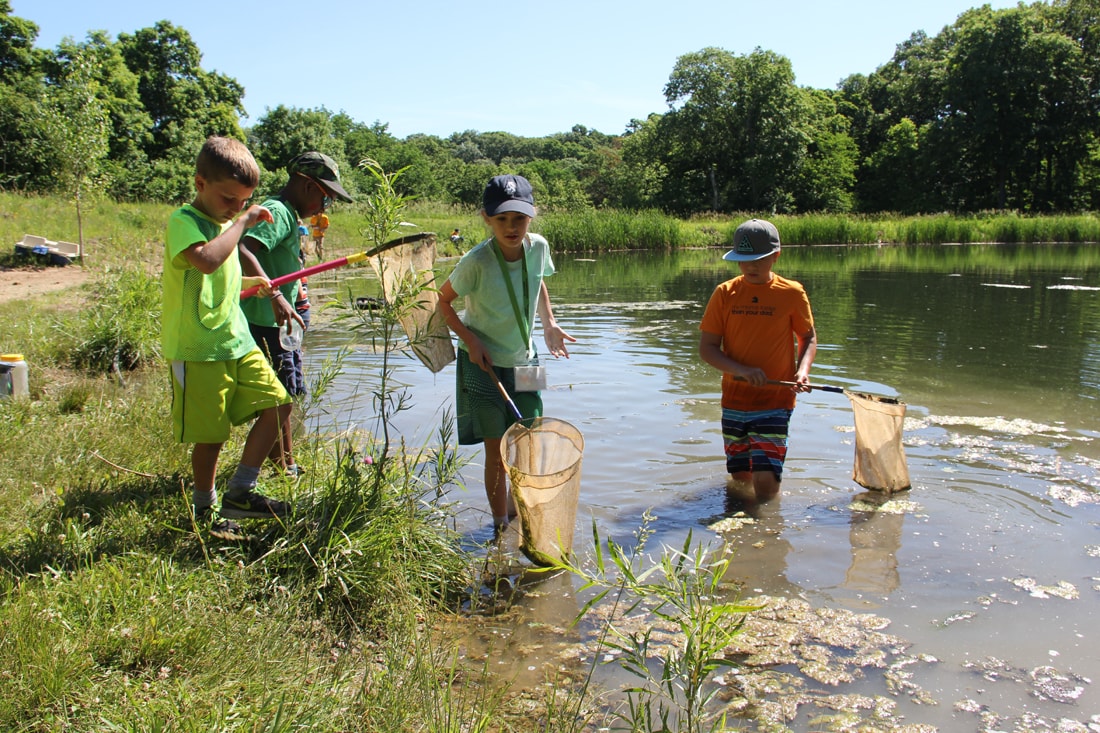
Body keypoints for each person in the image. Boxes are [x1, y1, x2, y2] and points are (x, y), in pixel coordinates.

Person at [160, 135, 293, 540]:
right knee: (212, 436)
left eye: (243, 201)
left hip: (236, 341)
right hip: (198, 348)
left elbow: (224, 281)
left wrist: (258, 283)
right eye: (228, 198)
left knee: (278, 404)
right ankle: (205, 510)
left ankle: (241, 492)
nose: (236, 207)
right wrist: (241, 222)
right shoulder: (185, 222)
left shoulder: (223, 225)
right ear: (200, 183)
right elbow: (205, 261)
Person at [438, 174, 576, 532]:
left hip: (526, 361)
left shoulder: (539, 247)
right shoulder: (476, 261)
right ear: (486, 218)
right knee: (497, 453)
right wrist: (471, 340)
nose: (511, 227)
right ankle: (501, 527)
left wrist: (549, 323)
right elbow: (442, 302)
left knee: (529, 444)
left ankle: (520, 520)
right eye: (501, 219)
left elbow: (537, 280)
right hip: (481, 364)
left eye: (519, 218)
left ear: (531, 216)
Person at [239, 151, 354, 478]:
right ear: (307, 186)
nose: (323, 208)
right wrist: (275, 294)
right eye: (325, 199)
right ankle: (284, 467)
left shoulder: (288, 213)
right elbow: (245, 247)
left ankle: (285, 463)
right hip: (267, 322)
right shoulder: (279, 212)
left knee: (280, 396)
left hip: (275, 323)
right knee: (282, 397)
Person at [698, 218, 817, 504]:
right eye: (743, 260)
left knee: (765, 482)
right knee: (740, 478)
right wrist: (741, 370)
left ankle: (766, 533)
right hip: (735, 399)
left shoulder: (791, 293)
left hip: (775, 399)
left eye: (758, 259)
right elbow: (708, 348)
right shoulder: (725, 294)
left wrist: (802, 372)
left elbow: (808, 338)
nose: (750, 266)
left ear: (775, 256)